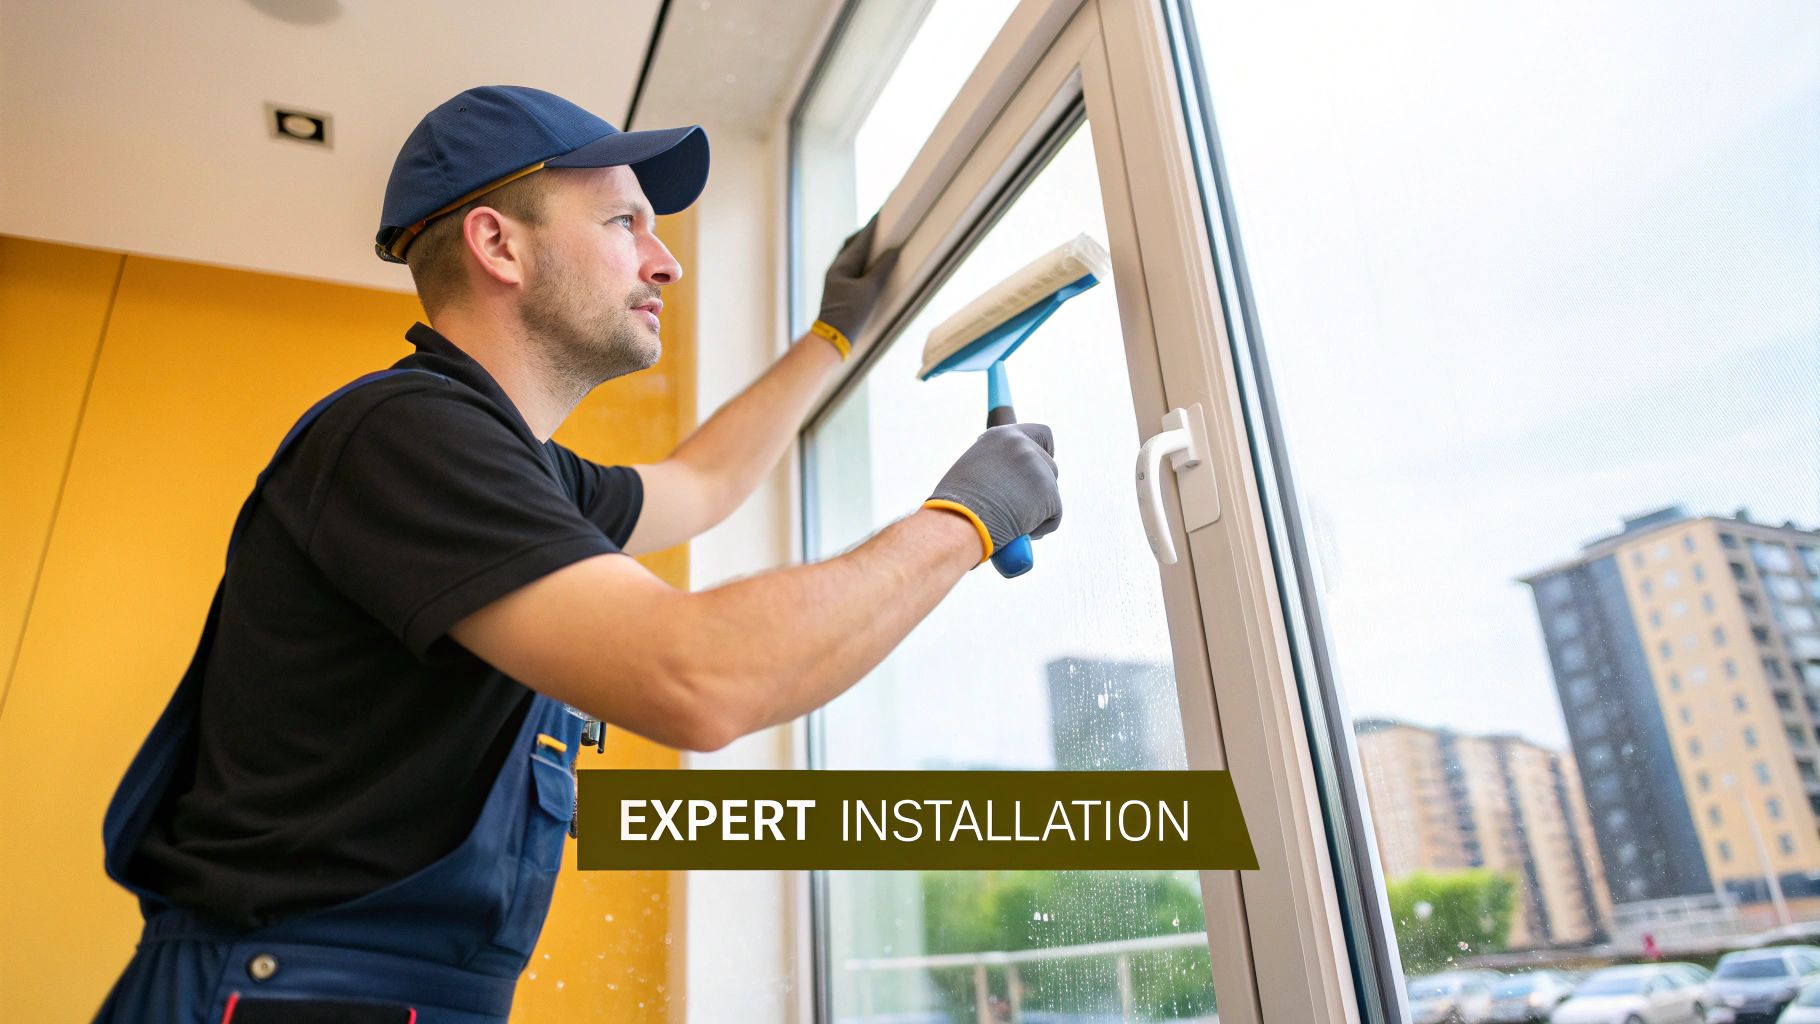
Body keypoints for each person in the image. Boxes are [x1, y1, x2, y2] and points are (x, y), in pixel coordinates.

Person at [93, 85, 1062, 1023]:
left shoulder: (508, 466)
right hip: (283, 995)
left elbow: (701, 483)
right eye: (622, 224)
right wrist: (963, 519)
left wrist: (832, 334)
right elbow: (697, 677)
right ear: (497, 245)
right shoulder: (404, 437)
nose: (664, 262)